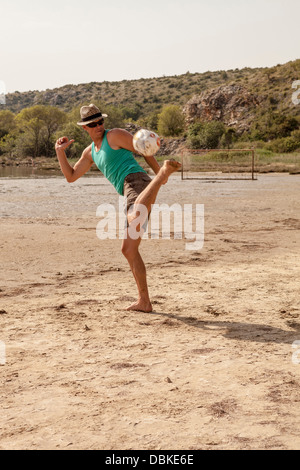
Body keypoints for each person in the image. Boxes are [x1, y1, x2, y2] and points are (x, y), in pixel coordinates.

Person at [55, 104, 181, 313]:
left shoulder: (113, 136)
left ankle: (161, 176)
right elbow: (71, 176)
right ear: (84, 128)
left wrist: (160, 171)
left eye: (100, 122)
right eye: (92, 124)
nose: (98, 126)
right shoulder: (90, 153)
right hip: (132, 190)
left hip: (136, 181)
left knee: (133, 216)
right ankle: (144, 302)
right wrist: (60, 152)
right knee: (128, 249)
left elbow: (144, 147)